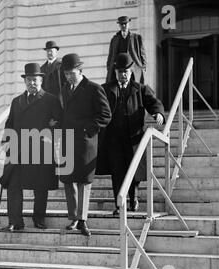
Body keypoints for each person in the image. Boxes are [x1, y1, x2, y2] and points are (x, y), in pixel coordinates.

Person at [97, 53, 165, 215]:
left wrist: (158, 113)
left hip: (133, 138)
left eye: (126, 71)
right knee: (117, 171)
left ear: (131, 71)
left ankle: (133, 198)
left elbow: (154, 103)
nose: (123, 75)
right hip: (114, 139)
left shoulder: (140, 89)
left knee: (133, 171)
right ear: (115, 72)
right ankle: (119, 205)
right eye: (120, 72)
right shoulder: (106, 89)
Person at [0, 63, 62, 232]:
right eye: (28, 80)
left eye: (35, 80)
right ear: (25, 81)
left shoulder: (51, 100)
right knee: (13, 186)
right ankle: (15, 222)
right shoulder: (17, 101)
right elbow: (9, 124)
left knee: (40, 187)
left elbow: (59, 123)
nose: (32, 83)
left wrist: (50, 132)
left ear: (41, 80)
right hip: (18, 151)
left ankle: (39, 219)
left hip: (41, 150)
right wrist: (6, 142)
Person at [60, 54, 112, 236]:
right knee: (68, 180)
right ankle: (73, 217)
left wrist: (87, 130)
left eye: (71, 73)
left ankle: (82, 219)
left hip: (85, 143)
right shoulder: (65, 89)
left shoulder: (93, 88)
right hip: (67, 140)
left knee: (83, 180)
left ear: (80, 71)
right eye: (66, 73)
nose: (68, 77)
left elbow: (105, 115)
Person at [106, 16, 147, 84]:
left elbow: (142, 53)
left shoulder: (136, 38)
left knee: (135, 86)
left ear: (129, 24)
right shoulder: (115, 39)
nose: (124, 26)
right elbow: (110, 55)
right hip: (119, 67)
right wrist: (109, 67)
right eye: (121, 24)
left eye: (125, 24)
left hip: (133, 67)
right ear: (119, 25)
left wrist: (143, 66)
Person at [41, 41, 67, 105]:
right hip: (46, 101)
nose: (49, 53)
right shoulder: (42, 68)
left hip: (59, 100)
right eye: (47, 51)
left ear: (56, 52)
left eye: (51, 51)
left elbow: (65, 83)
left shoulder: (61, 65)